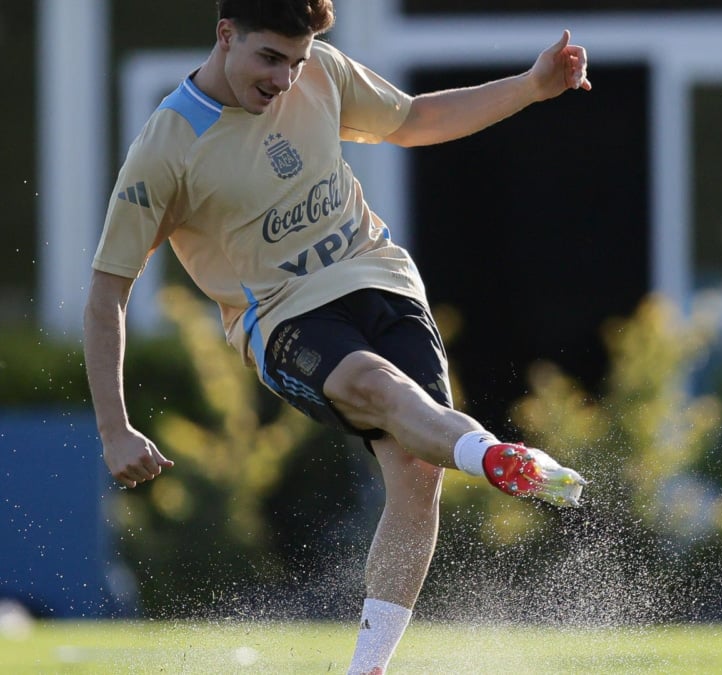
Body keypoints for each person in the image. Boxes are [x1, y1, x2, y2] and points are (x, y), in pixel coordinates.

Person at [82, 1, 589, 673]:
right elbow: (106, 293)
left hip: (381, 278)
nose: (285, 80)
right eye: (270, 58)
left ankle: (368, 667)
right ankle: (497, 458)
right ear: (225, 34)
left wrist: (530, 86)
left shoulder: (319, 68)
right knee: (376, 387)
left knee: (415, 469)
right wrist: (115, 428)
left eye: (295, 62)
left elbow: (414, 120)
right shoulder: (165, 145)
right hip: (284, 314)